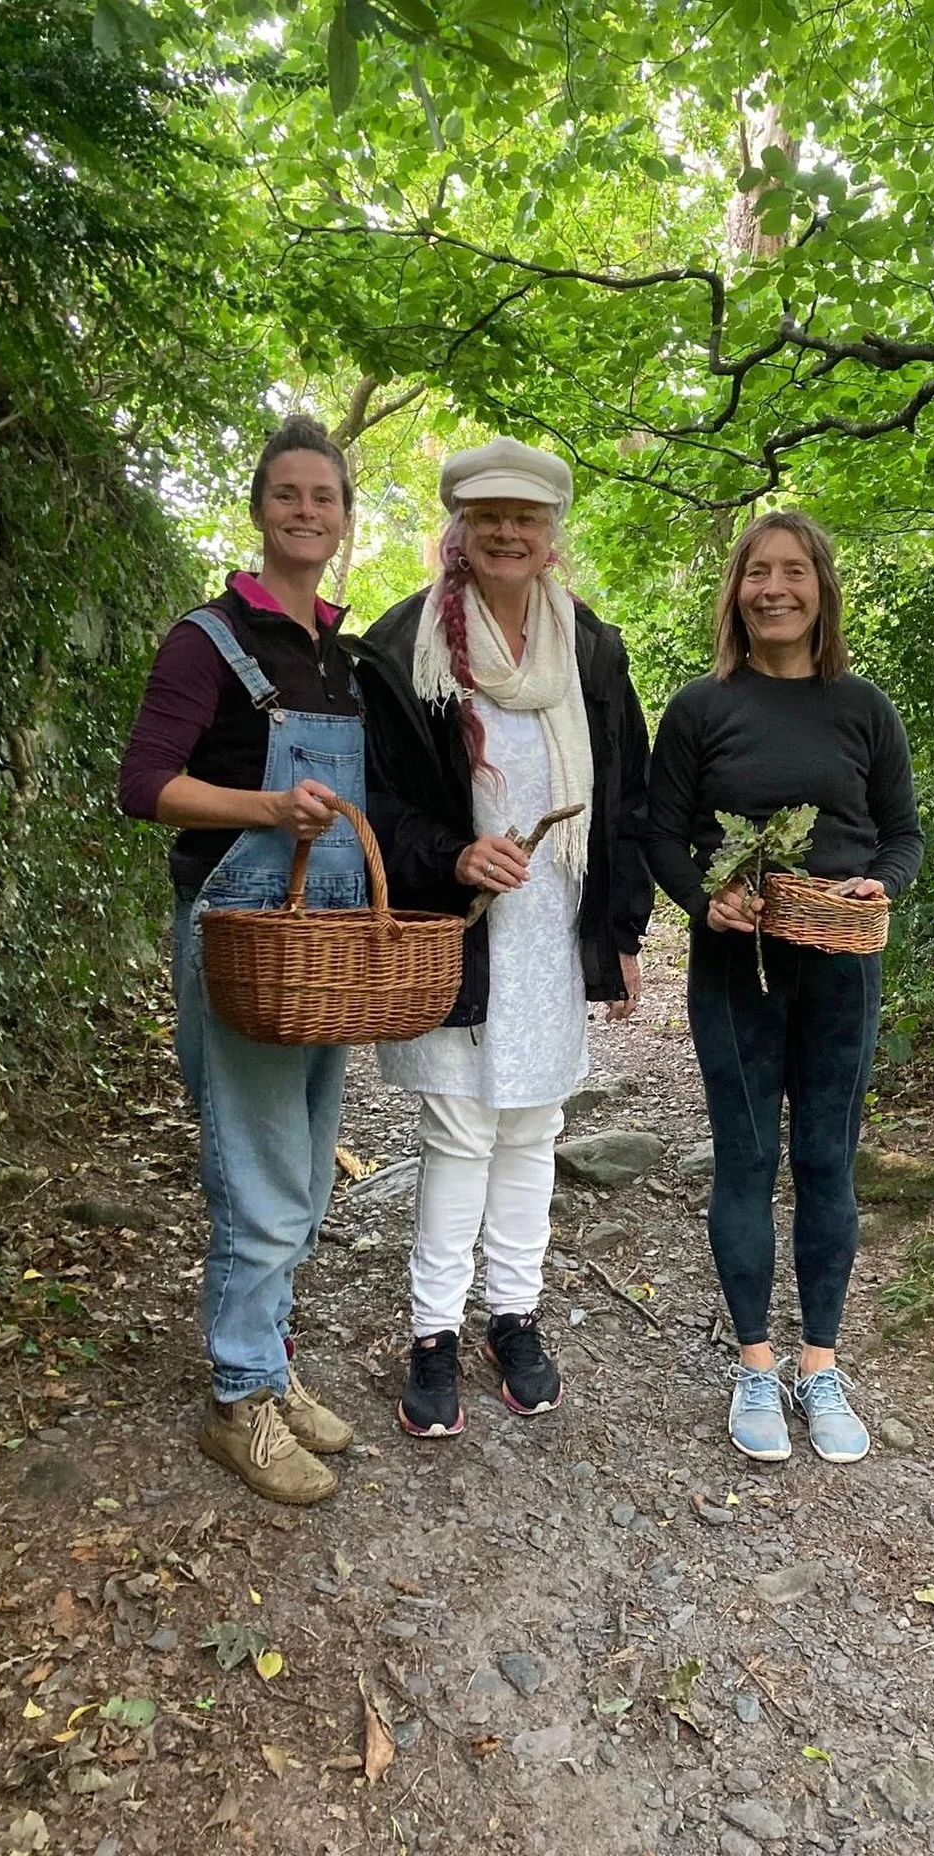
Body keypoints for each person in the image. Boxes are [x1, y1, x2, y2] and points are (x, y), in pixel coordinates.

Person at [359, 437, 653, 1439]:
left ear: (551, 533)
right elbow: (379, 798)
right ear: (460, 527)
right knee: (457, 1133)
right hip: (456, 926)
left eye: (526, 518)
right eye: (487, 516)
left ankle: (513, 1317)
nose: (507, 533)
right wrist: (453, 855)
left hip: (552, 931)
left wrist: (622, 932)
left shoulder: (590, 650)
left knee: (532, 1128)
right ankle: (434, 1333)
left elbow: (628, 797)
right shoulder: (407, 647)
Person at [118, 415, 368, 1506]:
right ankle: (236, 1401)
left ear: (345, 517)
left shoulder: (341, 656)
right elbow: (145, 785)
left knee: (303, 1175)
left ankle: (269, 1365)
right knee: (259, 1179)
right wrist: (267, 807)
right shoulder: (206, 639)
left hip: (322, 948)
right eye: (288, 494)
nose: (306, 511)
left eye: (324, 496)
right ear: (260, 508)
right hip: (239, 936)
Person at [646, 511, 923, 1464]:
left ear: (821, 589)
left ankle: (821, 1365)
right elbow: (660, 834)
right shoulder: (699, 708)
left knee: (827, 1160)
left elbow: (902, 835)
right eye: (757, 572)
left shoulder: (864, 708)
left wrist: (880, 884)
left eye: (793, 572)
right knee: (747, 1157)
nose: (774, 589)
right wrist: (703, 899)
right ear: (736, 591)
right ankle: (756, 1364)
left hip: (842, 967)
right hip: (736, 970)